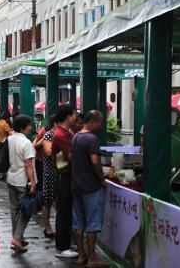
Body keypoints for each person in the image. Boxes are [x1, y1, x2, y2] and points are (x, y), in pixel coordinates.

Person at [71, 110, 108, 267]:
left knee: (78, 222)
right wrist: (102, 178)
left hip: (77, 186)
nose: (101, 126)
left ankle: (81, 254)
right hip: (91, 187)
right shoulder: (92, 139)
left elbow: (71, 157)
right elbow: (94, 161)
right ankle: (92, 257)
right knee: (92, 223)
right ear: (92, 121)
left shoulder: (76, 136)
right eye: (100, 122)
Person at [6, 115, 37, 253]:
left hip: (11, 178)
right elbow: (28, 164)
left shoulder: (10, 138)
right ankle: (17, 238)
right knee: (26, 211)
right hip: (22, 181)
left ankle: (17, 237)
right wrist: (33, 182)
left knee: (14, 209)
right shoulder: (26, 143)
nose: (31, 127)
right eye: (29, 125)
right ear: (23, 127)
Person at [52, 104, 78, 258]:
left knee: (66, 211)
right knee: (63, 211)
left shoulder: (66, 132)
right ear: (69, 116)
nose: (76, 117)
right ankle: (63, 246)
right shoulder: (61, 135)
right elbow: (72, 157)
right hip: (65, 176)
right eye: (74, 114)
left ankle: (66, 243)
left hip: (68, 175)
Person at [33, 115, 56, 238]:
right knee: (45, 196)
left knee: (46, 195)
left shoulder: (48, 131)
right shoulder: (46, 133)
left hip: (49, 167)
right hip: (43, 164)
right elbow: (36, 145)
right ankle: (47, 227)